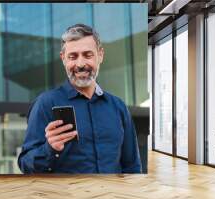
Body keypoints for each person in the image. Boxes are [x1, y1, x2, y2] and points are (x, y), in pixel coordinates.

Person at [17, 24, 141, 174]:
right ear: (63, 59)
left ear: (100, 55)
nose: (80, 64)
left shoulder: (118, 107)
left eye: (88, 55)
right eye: (73, 56)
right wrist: (49, 149)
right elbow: (25, 165)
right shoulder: (45, 104)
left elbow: (132, 166)